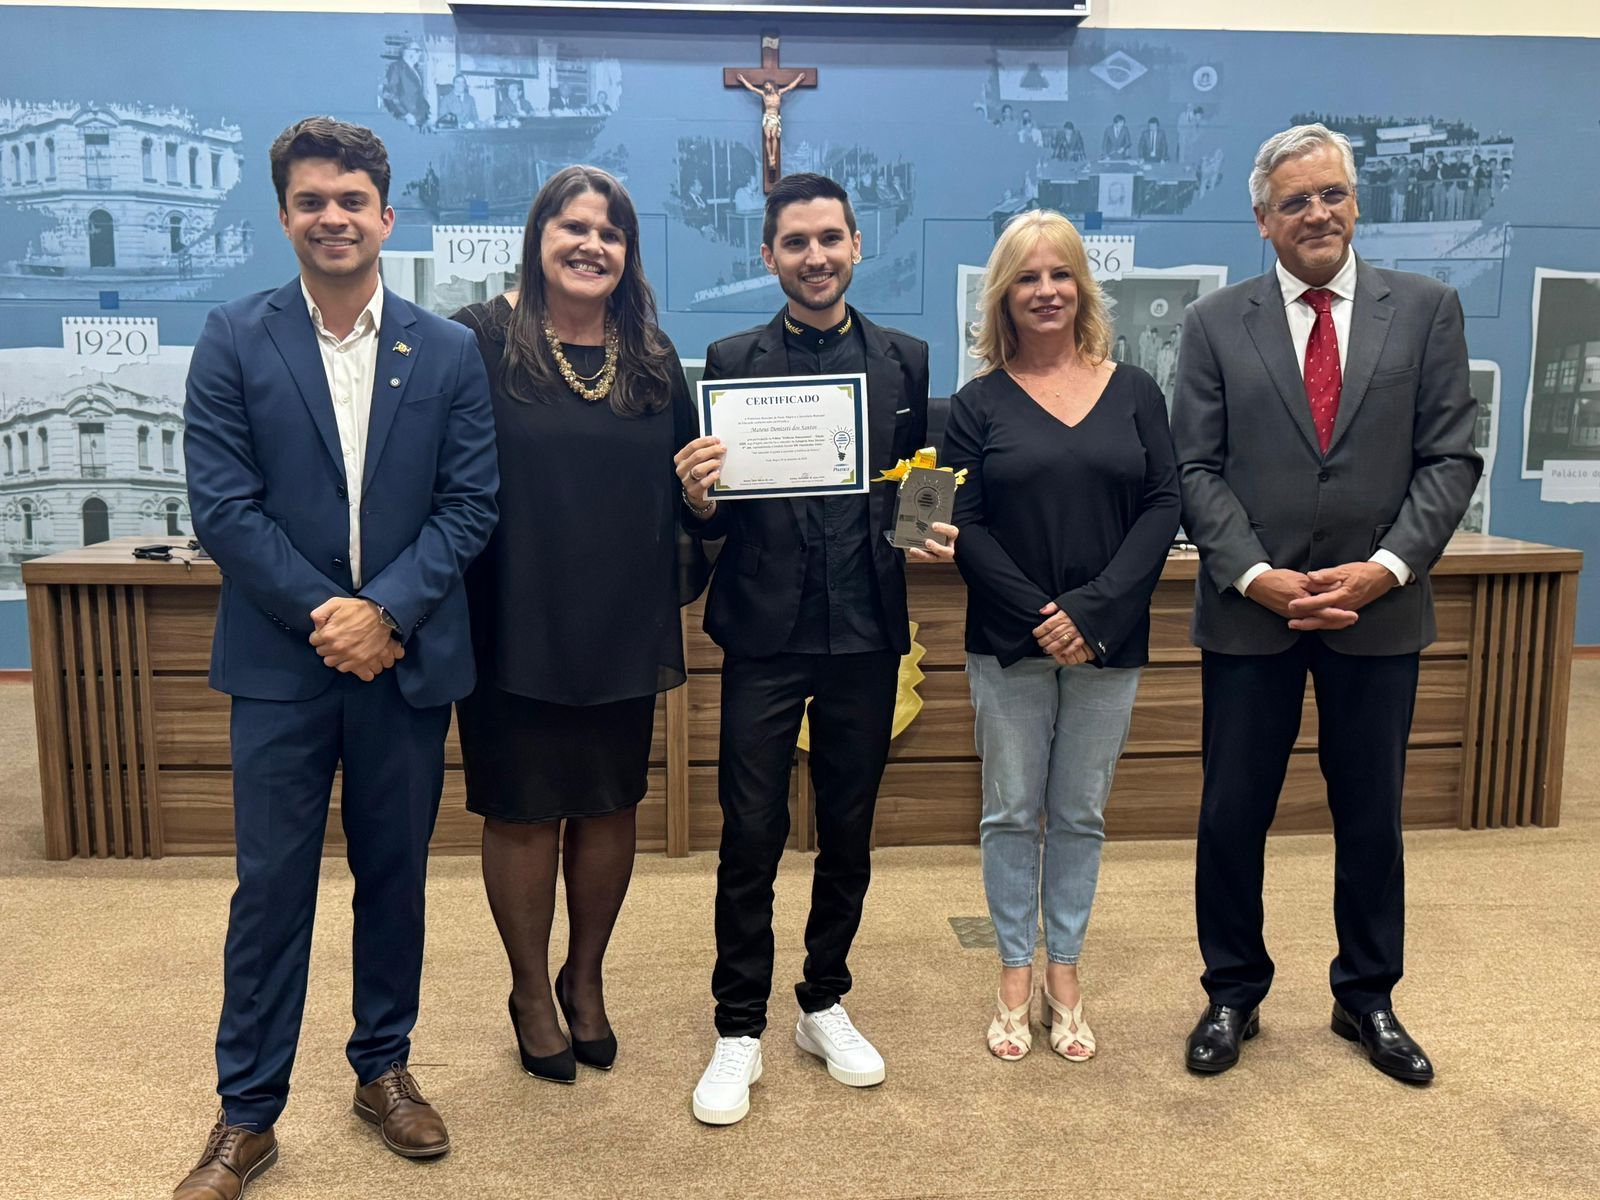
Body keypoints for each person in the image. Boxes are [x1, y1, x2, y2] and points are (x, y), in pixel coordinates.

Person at [175, 116, 498, 1198]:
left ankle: (383, 1070)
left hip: (403, 663)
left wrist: (387, 613)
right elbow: (224, 507)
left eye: (352, 201)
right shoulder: (234, 337)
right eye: (312, 201)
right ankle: (246, 1115)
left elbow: (471, 504)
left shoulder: (446, 350)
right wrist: (332, 614)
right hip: (281, 663)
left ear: (385, 216)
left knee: (393, 876)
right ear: (284, 217)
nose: (333, 218)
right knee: (271, 889)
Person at [1170, 123, 1479, 1083]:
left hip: (1377, 611)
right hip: (1250, 612)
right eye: (1295, 201)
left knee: (1371, 815)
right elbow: (1194, 467)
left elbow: (1449, 457)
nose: (1318, 213)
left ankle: (1368, 997)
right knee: (1231, 813)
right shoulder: (1214, 322)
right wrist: (1254, 574)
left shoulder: (1425, 310)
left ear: (1356, 202)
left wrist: (1386, 567)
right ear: (1262, 221)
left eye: (1332, 194)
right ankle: (1233, 991)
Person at [673, 173, 956, 1126]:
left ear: (856, 245)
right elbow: (711, 517)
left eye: (830, 238)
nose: (815, 256)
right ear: (769, 256)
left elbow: (922, 477)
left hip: (867, 631)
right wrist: (699, 497)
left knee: (848, 827)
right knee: (749, 832)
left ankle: (823, 999)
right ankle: (738, 1025)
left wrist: (926, 524)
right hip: (764, 632)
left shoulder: (906, 359)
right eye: (795, 242)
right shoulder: (729, 359)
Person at [448, 165, 696, 1088]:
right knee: (523, 809)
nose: (592, 244)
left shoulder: (653, 357)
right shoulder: (479, 340)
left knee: (607, 804)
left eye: (610, 231)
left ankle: (584, 979)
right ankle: (529, 991)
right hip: (511, 617)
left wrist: (707, 498)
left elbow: (691, 491)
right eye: (573, 226)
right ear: (538, 237)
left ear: (628, 252)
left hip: (620, 620)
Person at [942, 210, 1179, 1063]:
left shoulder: (1137, 391)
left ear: (1082, 286)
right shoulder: (975, 405)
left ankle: (1064, 971)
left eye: (1060, 274)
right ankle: (1014, 970)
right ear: (1003, 297)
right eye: (1027, 278)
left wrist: (1093, 611)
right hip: (1008, 642)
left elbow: (1164, 504)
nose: (1046, 291)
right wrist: (1044, 616)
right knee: (1010, 811)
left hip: (1109, 641)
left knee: (1079, 813)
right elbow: (962, 523)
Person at [381, 42, 430, 129]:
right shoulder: (396, 67)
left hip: (419, 120)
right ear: (407, 52)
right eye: (417, 50)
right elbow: (389, 95)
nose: (420, 53)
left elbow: (418, 95)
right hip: (404, 121)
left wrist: (426, 113)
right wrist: (405, 114)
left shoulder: (417, 70)